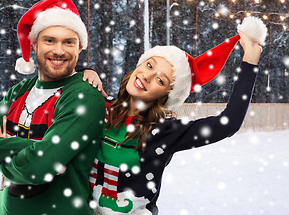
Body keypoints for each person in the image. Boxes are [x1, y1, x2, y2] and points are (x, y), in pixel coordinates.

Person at [87, 16, 266, 215]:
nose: (147, 76)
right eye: (149, 65)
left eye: (161, 81)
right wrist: (85, 71)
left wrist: (250, 58)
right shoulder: (98, 106)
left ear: (166, 96)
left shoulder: (164, 131)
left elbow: (228, 123)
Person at [0, 0, 106, 215]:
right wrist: (27, 147)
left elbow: (37, 168)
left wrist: (1, 150)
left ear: (80, 48)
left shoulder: (83, 94)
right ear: (34, 44)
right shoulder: (18, 92)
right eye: (50, 40)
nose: (59, 50)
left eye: (69, 42)